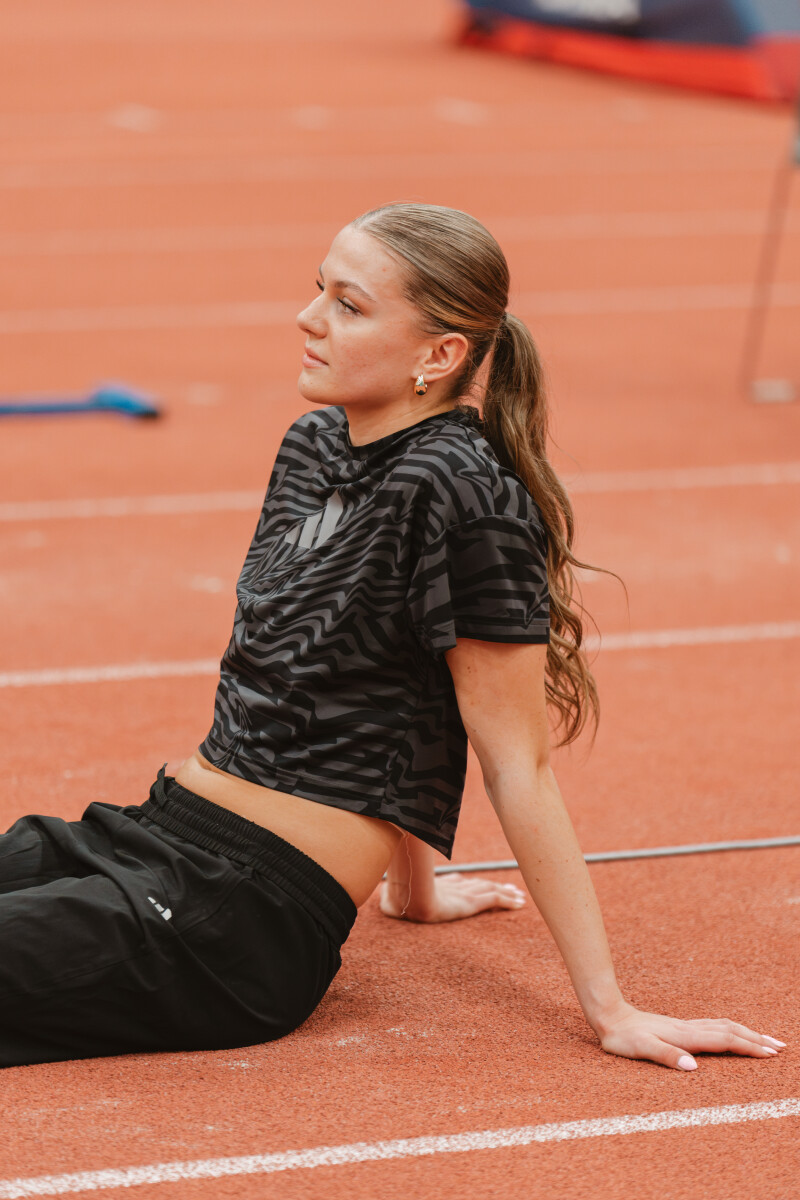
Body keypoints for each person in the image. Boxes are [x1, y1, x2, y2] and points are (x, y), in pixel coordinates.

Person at [0, 203, 785, 1071]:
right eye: (318, 291)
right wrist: (416, 890)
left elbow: (516, 762)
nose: (308, 318)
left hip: (239, 914)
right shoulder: (314, 444)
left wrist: (612, 1010)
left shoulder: (466, 494)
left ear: (438, 356)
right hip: (155, 832)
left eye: (349, 305)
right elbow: (389, 679)